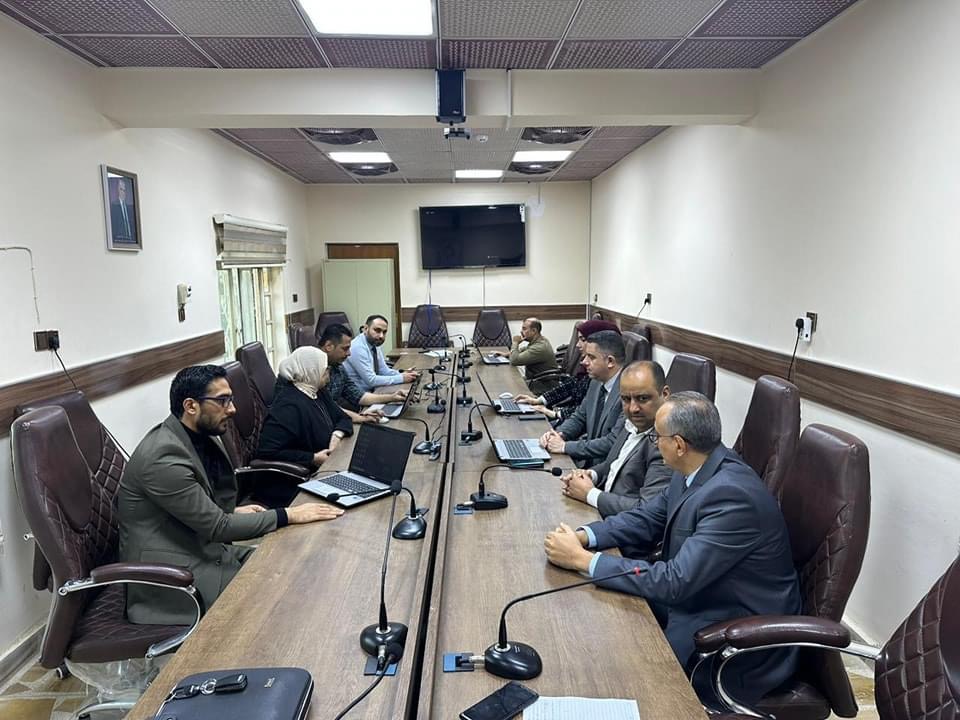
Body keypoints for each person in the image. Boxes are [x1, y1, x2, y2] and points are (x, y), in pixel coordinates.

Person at [543, 392, 800, 708]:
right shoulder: (696, 468)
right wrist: (584, 536)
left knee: (612, 672)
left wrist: (582, 560)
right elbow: (646, 518)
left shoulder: (732, 497)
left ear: (679, 444)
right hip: (699, 603)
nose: (653, 443)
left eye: (656, 437)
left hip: (735, 643)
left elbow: (675, 581)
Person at [118, 365, 343, 625]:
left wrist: (231, 511)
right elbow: (218, 527)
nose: (232, 409)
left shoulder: (198, 435)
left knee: (290, 563)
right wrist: (288, 515)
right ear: (191, 406)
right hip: (171, 578)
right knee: (280, 604)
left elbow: (194, 505)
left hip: (199, 547)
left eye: (231, 399)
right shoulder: (163, 457)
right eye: (222, 401)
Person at [560, 360, 672, 517]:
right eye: (626, 399)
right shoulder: (631, 424)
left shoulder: (667, 443)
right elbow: (613, 464)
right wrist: (590, 475)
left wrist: (589, 494)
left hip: (623, 527)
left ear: (665, 394)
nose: (633, 408)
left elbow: (648, 510)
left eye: (643, 398)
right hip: (602, 513)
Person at [539, 330, 625, 468]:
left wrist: (565, 446)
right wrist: (559, 434)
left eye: (591, 357)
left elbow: (612, 442)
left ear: (610, 361)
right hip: (586, 462)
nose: (584, 362)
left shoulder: (629, 393)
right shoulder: (596, 382)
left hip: (605, 470)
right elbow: (580, 416)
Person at [257, 346, 353, 469]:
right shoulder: (288, 406)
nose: (328, 373)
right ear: (311, 370)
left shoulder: (317, 391)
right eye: (325, 369)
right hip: (308, 474)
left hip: (332, 460)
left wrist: (336, 436)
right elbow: (267, 451)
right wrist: (312, 458)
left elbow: (344, 418)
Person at [515, 319, 619, 423]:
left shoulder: (600, 379)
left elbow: (584, 414)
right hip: (570, 419)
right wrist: (540, 400)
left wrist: (555, 414)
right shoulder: (588, 372)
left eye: (582, 339)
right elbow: (572, 387)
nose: (577, 345)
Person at [319, 323, 407, 423]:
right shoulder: (312, 370)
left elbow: (359, 396)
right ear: (329, 346)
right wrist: (360, 418)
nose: (349, 353)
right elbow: (325, 408)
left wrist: (392, 397)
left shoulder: (338, 367)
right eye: (345, 348)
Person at [343, 314, 419, 394]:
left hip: (374, 390)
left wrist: (403, 374)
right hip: (359, 395)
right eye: (377, 330)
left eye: (384, 332)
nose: (381, 336)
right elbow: (371, 380)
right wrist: (402, 378)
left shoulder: (374, 343)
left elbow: (383, 370)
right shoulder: (357, 347)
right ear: (365, 329)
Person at [493, 317, 557, 377]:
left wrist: (515, 343)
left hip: (542, 383)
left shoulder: (539, 347)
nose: (521, 331)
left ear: (534, 331)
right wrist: (506, 354)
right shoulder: (540, 340)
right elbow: (524, 350)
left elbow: (514, 361)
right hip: (535, 379)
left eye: (524, 329)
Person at [109, 176, 137, 244]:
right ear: (118, 190)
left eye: (124, 190)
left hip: (131, 241)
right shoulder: (113, 207)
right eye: (121, 189)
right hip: (119, 241)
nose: (123, 192)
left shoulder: (130, 208)